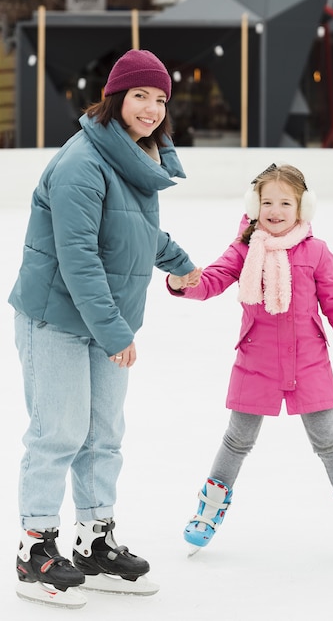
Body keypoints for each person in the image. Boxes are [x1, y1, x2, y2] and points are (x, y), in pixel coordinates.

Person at [9, 49, 200, 608]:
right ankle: (35, 547)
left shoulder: (136, 158)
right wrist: (116, 332)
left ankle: (93, 542)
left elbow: (133, 231)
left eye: (161, 99)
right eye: (140, 95)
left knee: (103, 437)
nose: (151, 108)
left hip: (102, 319)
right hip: (57, 319)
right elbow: (79, 258)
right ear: (115, 98)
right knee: (58, 433)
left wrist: (180, 261)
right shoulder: (82, 164)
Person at [167, 163, 333, 561]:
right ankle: (209, 509)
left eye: (286, 202)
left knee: (328, 439)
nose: (276, 210)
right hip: (257, 360)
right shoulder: (245, 248)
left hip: (308, 362)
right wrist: (185, 282)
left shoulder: (316, 252)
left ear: (303, 207)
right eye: (267, 202)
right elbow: (212, 279)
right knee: (237, 439)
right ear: (254, 205)